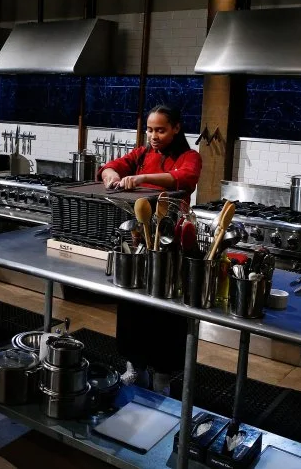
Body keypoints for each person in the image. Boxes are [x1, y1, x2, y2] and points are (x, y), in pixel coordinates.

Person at [97, 104, 202, 395]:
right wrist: (110, 176)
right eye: (150, 130)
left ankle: (163, 376)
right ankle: (135, 367)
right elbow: (111, 166)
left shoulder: (189, 156)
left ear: (176, 128)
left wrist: (143, 179)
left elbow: (184, 178)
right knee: (133, 304)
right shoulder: (142, 154)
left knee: (166, 312)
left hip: (171, 244)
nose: (154, 136)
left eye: (161, 130)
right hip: (140, 241)